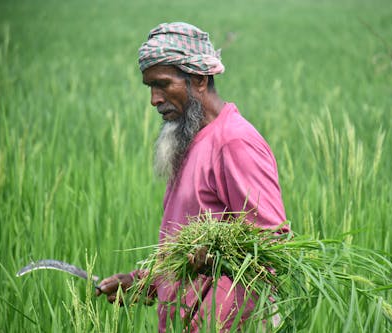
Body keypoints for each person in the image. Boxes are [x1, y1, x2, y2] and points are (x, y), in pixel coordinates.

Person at [96, 22, 287, 332]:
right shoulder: (189, 140)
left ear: (199, 79)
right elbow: (184, 244)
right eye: (150, 87)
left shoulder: (234, 142)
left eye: (163, 84)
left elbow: (271, 244)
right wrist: (146, 282)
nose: (154, 99)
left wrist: (214, 257)